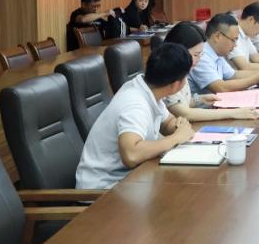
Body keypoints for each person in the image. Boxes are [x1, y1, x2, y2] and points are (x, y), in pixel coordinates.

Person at [75, 43, 195, 189]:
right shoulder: (135, 104)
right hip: (102, 190)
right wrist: (176, 138)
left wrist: (178, 127)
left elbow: (167, 122)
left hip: (130, 179)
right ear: (176, 85)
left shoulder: (147, 88)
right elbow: (131, 155)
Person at [161, 22, 259, 122]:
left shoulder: (182, 71)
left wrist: (199, 100)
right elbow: (185, 114)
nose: (199, 60)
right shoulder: (166, 75)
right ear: (178, 51)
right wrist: (234, 113)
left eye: (200, 55)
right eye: (196, 55)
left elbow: (181, 102)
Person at [189, 14, 259, 93]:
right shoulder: (201, 56)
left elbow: (233, 75)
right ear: (217, 36)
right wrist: (255, 79)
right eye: (233, 40)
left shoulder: (216, 53)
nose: (235, 45)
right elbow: (220, 88)